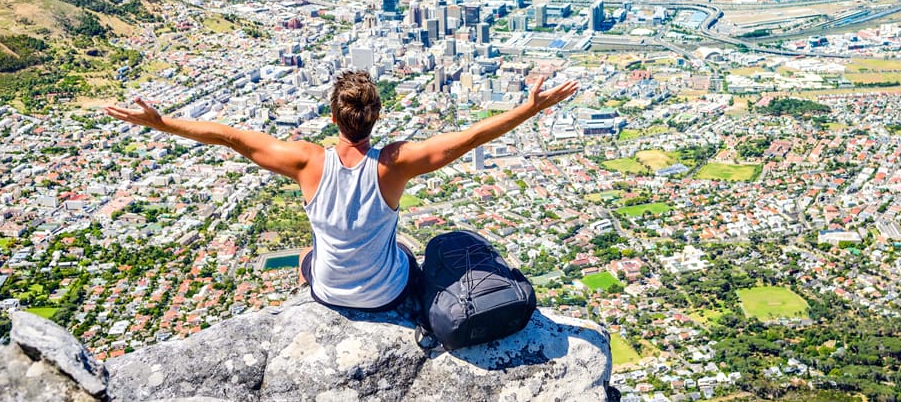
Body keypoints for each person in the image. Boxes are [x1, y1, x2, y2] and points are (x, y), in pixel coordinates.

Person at [105, 70, 578, 312]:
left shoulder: (306, 161)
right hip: (386, 295)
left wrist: (161, 122)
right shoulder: (394, 164)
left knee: (306, 257)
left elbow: (228, 136)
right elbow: (471, 138)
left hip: (327, 292)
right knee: (407, 253)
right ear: (376, 118)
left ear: (333, 118)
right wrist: (529, 109)